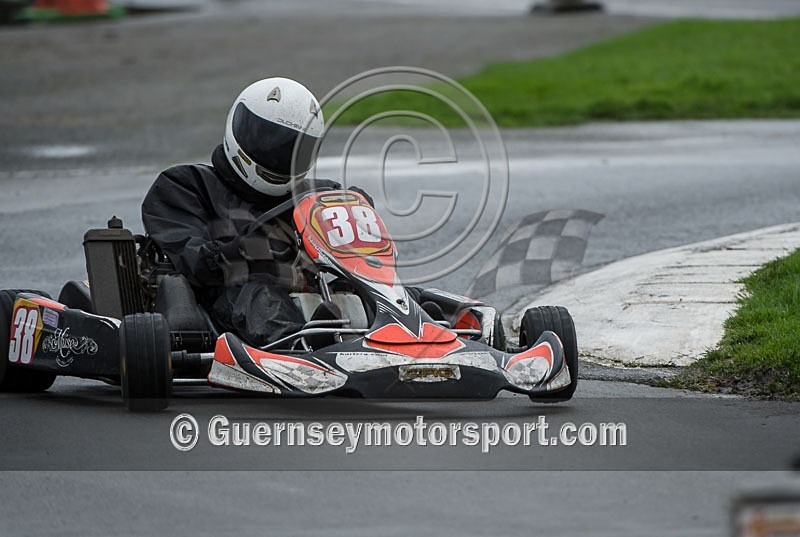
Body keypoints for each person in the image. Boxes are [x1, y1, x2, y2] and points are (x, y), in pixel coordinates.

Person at [141, 77, 363, 346]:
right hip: (228, 301)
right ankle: (302, 346)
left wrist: (360, 217)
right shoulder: (187, 185)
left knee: (390, 295)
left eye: (294, 147)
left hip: (316, 297)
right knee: (260, 295)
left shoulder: (318, 195)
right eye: (271, 141)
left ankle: (418, 330)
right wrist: (247, 248)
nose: (279, 155)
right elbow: (193, 261)